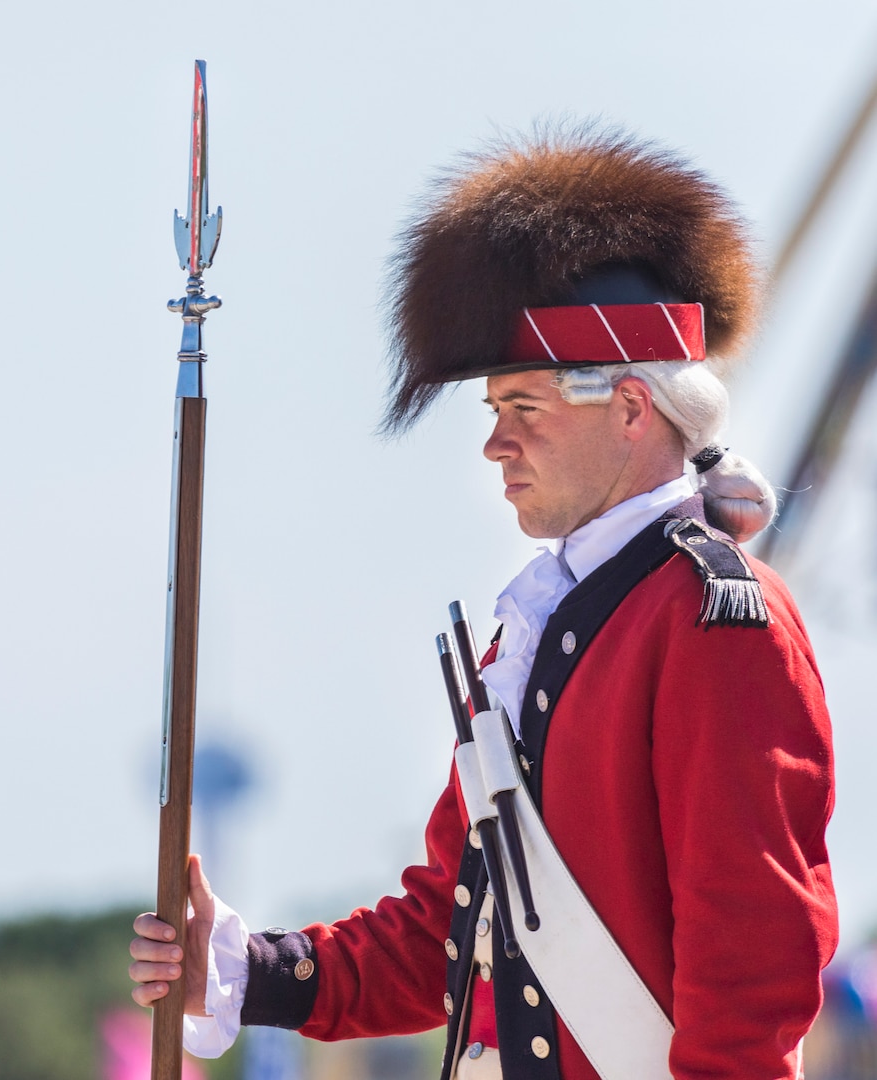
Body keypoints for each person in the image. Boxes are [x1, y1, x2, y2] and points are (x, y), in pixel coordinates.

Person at [129, 128, 838, 1080]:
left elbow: (751, 976)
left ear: (631, 409)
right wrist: (255, 972)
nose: (496, 446)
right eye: (493, 413)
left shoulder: (713, 622)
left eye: (525, 410)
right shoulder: (538, 630)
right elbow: (448, 929)